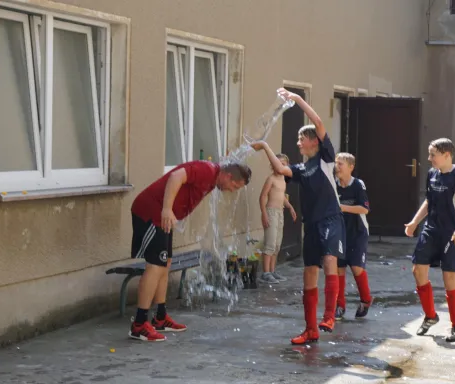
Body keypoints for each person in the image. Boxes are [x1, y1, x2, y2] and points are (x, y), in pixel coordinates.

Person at [251, 88, 345, 345]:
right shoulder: (301, 168)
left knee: (329, 261)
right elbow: (280, 168)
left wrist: (298, 99)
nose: (298, 143)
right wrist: (265, 147)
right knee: (309, 274)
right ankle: (310, 329)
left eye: (301, 140)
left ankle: (329, 316)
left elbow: (318, 122)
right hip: (311, 224)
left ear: (314, 141)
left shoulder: (326, 157)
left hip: (331, 219)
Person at [129, 161, 252, 341]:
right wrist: (166, 209)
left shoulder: (215, 176)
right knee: (155, 266)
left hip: (163, 218)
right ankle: (139, 325)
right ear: (228, 176)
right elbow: (176, 176)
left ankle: (160, 317)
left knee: (165, 263)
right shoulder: (206, 170)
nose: (233, 190)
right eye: (235, 185)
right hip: (152, 213)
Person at [405, 138, 455, 342]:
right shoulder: (432, 174)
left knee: (449, 278)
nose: (429, 159)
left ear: (446, 155)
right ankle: (430, 316)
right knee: (418, 270)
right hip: (430, 230)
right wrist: (414, 222)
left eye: (432, 154)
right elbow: (429, 201)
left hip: (450, 232)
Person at [333, 152, 373, 321]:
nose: (337, 167)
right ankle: (339, 305)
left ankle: (366, 299)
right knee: (338, 268)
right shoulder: (333, 184)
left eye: (341, 164)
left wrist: (342, 207)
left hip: (357, 232)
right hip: (339, 232)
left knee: (356, 267)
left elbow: (364, 209)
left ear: (351, 167)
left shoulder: (358, 185)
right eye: (336, 163)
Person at [259, 153, 297, 284]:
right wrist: (264, 213)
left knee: (276, 245)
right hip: (271, 213)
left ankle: (272, 271)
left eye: (283, 164)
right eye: (277, 163)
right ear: (272, 165)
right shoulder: (271, 179)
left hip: (280, 213)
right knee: (269, 244)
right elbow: (263, 196)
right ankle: (265, 273)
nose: (280, 166)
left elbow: (282, 198)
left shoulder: (283, 180)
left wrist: (290, 207)